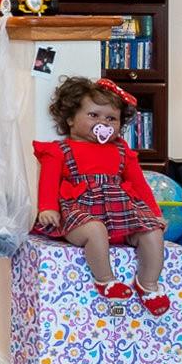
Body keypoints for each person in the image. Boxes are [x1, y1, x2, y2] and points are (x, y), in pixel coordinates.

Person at [33, 75, 169, 315]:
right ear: (70, 119)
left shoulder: (121, 150)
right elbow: (48, 181)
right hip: (80, 213)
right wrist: (47, 208)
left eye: (111, 118)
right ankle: (105, 280)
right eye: (93, 115)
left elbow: (139, 184)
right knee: (95, 230)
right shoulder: (60, 150)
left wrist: (154, 214)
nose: (103, 122)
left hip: (121, 213)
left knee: (153, 232)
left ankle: (148, 284)